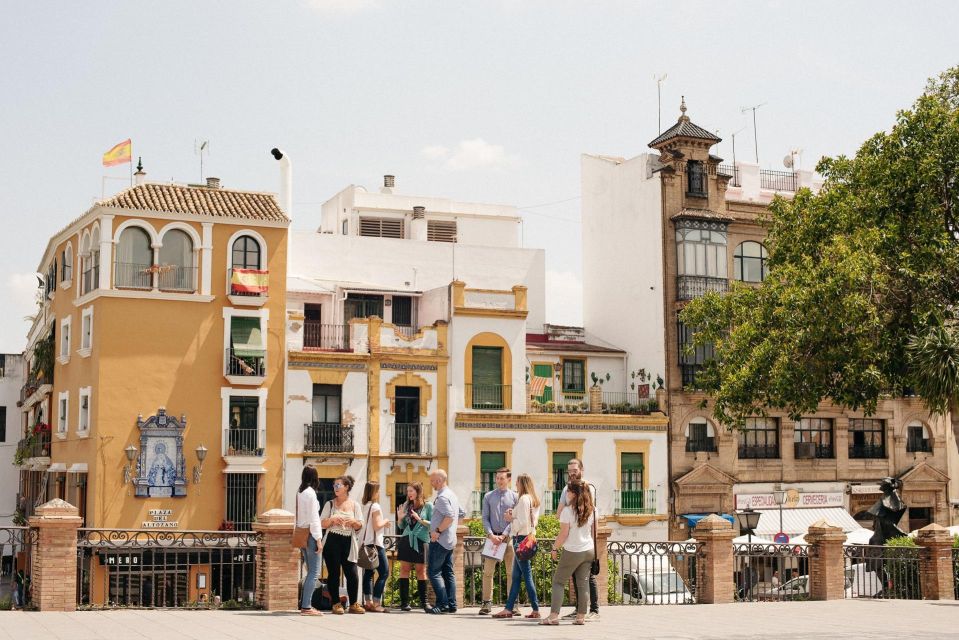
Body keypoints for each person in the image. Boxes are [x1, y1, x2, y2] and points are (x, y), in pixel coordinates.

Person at [541, 480, 595, 626]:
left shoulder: (567, 511)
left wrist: (554, 548)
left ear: (574, 493)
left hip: (573, 550)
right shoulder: (591, 509)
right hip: (588, 549)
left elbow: (563, 534)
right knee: (583, 583)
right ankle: (581, 617)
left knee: (558, 581)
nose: (567, 494)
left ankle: (553, 616)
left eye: (569, 491)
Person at [493, 473, 541, 619]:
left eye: (517, 482)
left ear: (523, 484)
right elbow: (529, 519)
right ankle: (508, 608)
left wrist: (510, 518)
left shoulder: (524, 499)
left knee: (527, 576)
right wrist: (513, 513)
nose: (515, 485)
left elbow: (522, 522)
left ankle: (536, 609)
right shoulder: (533, 500)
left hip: (520, 539)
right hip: (529, 538)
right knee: (516, 576)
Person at [556, 458, 599, 620]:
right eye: (570, 471)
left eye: (575, 470)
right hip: (572, 541)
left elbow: (590, 513)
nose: (572, 473)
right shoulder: (566, 488)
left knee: (589, 577)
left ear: (582, 469)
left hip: (585, 541)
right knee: (576, 577)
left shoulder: (589, 487)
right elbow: (559, 511)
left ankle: (594, 610)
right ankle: (579, 610)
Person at [320, 474, 365, 614]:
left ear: (346, 487)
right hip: (332, 541)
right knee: (333, 573)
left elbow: (360, 525)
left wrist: (354, 523)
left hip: (348, 542)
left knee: (352, 573)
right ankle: (336, 603)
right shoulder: (330, 504)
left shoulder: (355, 505)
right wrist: (333, 519)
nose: (335, 488)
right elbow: (322, 523)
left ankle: (353, 604)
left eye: (338, 485)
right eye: (334, 485)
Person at [478, 467, 518, 615]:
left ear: (508, 479)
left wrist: (504, 535)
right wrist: (490, 535)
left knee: (511, 573)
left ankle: (512, 604)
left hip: (508, 540)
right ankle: (487, 603)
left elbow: (515, 519)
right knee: (487, 572)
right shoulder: (488, 496)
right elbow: (485, 518)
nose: (499, 481)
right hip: (492, 540)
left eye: (502, 478)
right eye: (497, 478)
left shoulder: (515, 497)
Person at [426, 469, 464, 614]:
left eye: (433, 481)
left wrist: (438, 531)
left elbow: (450, 516)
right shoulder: (452, 495)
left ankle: (442, 604)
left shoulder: (442, 497)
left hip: (440, 540)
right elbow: (461, 513)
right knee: (448, 572)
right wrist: (451, 529)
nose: (431, 483)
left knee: (433, 572)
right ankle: (452, 604)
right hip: (450, 540)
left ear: (439, 481)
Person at [395, 482, 432, 612]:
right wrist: (399, 519)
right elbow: (401, 527)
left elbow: (433, 524)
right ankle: (404, 603)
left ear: (418, 492)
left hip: (421, 540)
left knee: (421, 571)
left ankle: (425, 603)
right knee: (404, 570)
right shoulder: (406, 506)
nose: (409, 493)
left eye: (411, 491)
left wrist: (419, 519)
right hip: (406, 540)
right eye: (408, 491)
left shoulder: (428, 506)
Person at [297, 465, 324, 616]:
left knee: (310, 572)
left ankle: (305, 604)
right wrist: (319, 540)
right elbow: (314, 519)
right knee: (314, 572)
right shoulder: (311, 493)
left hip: (302, 535)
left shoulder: (300, 493)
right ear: (315, 477)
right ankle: (306, 606)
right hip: (311, 535)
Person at [360, 481, 391, 613]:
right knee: (384, 572)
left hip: (365, 543)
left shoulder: (363, 505)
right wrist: (386, 521)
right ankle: (377, 603)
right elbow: (377, 525)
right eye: (377, 491)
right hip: (376, 545)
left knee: (368, 573)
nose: (379, 493)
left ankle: (368, 602)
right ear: (373, 492)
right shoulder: (375, 506)